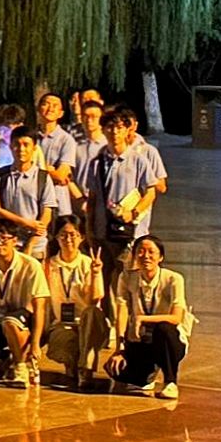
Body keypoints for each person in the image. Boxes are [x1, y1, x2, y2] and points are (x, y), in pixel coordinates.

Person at [81, 109, 162, 314]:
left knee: (127, 283)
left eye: (119, 127)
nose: (114, 132)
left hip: (129, 234)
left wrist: (133, 213)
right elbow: (92, 199)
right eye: (109, 127)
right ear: (103, 130)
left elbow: (151, 192)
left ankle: (129, 326)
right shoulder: (97, 163)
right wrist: (89, 231)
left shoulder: (138, 160)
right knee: (104, 282)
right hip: (102, 232)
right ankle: (107, 324)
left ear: (127, 130)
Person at [0, 219, 51, 389]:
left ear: (15, 241)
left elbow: (40, 305)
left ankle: (20, 366)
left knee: (10, 322)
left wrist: (36, 343)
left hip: (26, 320)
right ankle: (5, 358)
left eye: (4, 238)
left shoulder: (30, 265)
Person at [107, 235, 191, 399]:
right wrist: (119, 349)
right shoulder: (126, 277)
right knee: (117, 371)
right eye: (140, 251)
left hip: (169, 340)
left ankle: (170, 382)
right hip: (140, 338)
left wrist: (142, 319)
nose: (145, 256)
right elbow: (121, 311)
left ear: (161, 257)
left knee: (164, 329)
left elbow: (176, 318)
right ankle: (148, 373)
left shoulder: (173, 279)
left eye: (151, 252)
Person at [42, 215, 108, 388]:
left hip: (88, 325)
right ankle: (75, 365)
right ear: (56, 237)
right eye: (63, 235)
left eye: (73, 235)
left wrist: (95, 274)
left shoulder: (89, 263)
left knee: (92, 312)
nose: (68, 239)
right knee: (66, 343)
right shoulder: (48, 265)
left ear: (81, 237)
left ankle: (86, 370)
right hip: (62, 325)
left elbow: (94, 299)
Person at [0, 126, 58, 258]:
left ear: (34, 148)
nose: (21, 149)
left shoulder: (42, 177)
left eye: (26, 145)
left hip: (35, 245)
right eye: (17, 144)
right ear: (10, 147)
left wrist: (31, 242)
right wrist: (26, 223)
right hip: (7, 243)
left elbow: (46, 213)